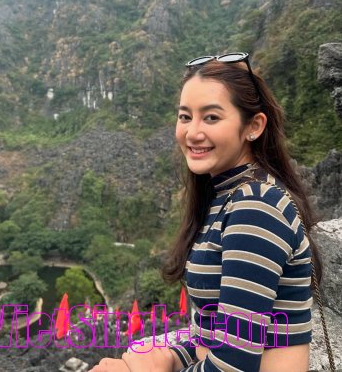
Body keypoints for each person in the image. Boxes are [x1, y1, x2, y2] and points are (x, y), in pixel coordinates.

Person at [91, 52, 321, 372]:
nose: (193, 132)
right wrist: (171, 357)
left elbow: (232, 366)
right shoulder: (228, 196)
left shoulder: (256, 208)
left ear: (253, 126)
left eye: (211, 117)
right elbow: (214, 337)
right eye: (185, 117)